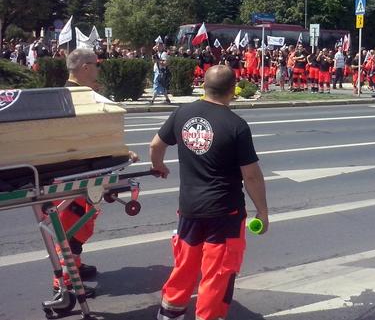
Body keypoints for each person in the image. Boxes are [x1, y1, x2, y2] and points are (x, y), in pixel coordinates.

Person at [151, 65, 269, 320]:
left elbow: (156, 144)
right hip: (224, 213)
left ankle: (170, 314)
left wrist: (158, 166)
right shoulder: (236, 125)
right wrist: (263, 210)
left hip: (189, 209)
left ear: (203, 85)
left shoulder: (182, 113)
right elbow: (250, 174)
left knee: (185, 265)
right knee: (217, 273)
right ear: (232, 90)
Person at [58, 49, 138, 296]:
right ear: (84, 67)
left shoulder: (64, 93)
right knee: (74, 227)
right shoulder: (81, 97)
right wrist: (122, 154)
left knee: (78, 224)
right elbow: (93, 139)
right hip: (77, 172)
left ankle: (76, 268)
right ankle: (66, 283)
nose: (98, 69)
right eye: (96, 65)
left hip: (75, 168)